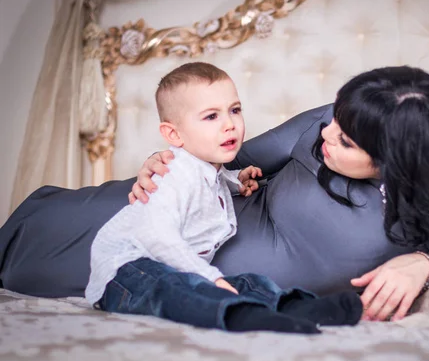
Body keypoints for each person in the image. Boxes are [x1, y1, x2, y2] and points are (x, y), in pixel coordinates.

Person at [0, 66, 429, 322]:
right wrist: (163, 159)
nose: (327, 135)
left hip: (189, 274)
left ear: (400, 161)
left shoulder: (423, 212)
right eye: (334, 122)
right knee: (36, 231)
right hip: (180, 220)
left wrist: (424, 265)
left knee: (41, 271)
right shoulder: (334, 121)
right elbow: (230, 155)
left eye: (345, 141)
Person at [85, 62, 362, 334]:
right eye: (211, 116)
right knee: (173, 290)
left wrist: (236, 179)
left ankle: (298, 307)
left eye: (235, 110)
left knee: (246, 282)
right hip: (125, 271)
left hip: (170, 267)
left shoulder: (206, 167)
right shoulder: (173, 175)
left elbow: (209, 183)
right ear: (173, 134)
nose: (229, 125)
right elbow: (157, 237)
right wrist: (210, 277)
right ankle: (242, 316)